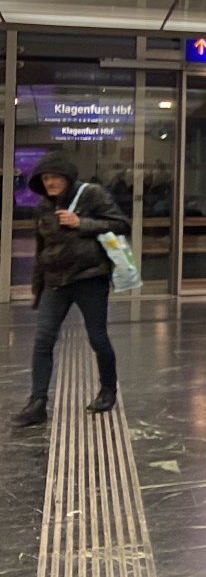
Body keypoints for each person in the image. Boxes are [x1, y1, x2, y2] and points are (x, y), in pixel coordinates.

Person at [13, 154, 130, 426]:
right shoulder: (43, 206)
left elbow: (121, 224)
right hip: (55, 281)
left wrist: (82, 223)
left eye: (54, 177)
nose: (50, 182)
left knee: (97, 337)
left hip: (90, 277)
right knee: (43, 340)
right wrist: (37, 285)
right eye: (45, 178)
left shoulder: (92, 195)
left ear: (67, 177)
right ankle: (37, 402)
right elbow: (41, 248)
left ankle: (108, 390)